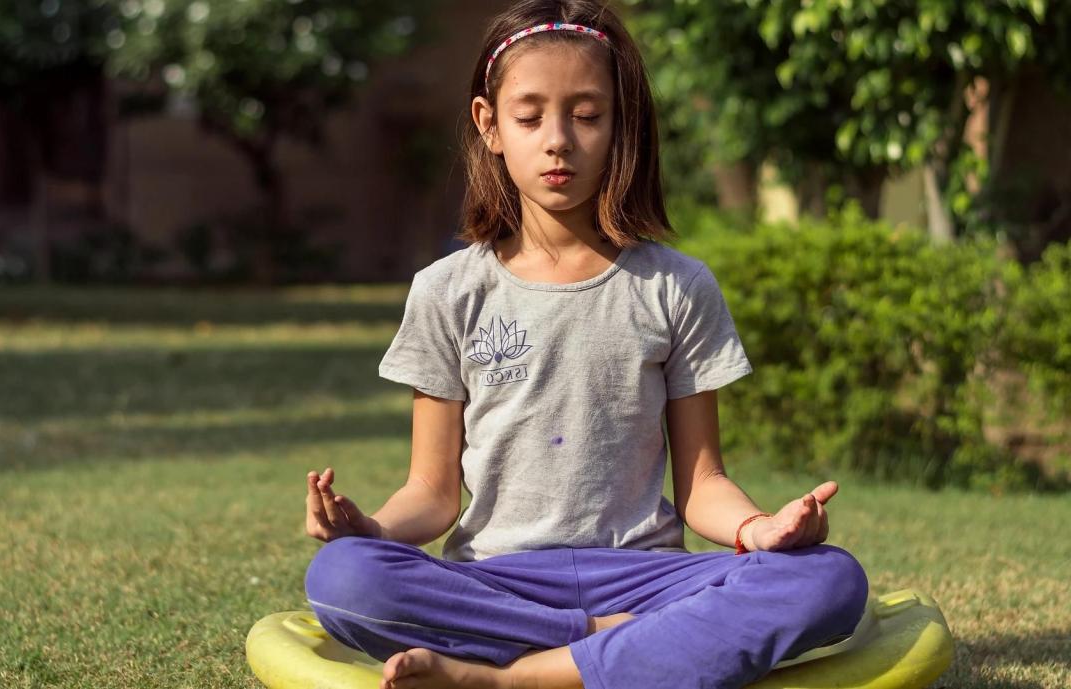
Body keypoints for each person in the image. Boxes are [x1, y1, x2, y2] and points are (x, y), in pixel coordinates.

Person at [302, 1, 869, 687]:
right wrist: (370, 527)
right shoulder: (446, 290)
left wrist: (758, 531)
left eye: (588, 114)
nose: (558, 140)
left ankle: (510, 676)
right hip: (497, 579)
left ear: (620, 124)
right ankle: (615, 648)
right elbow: (431, 490)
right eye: (530, 115)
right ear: (489, 125)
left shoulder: (678, 287)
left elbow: (703, 485)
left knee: (828, 579)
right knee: (342, 577)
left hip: (646, 578)